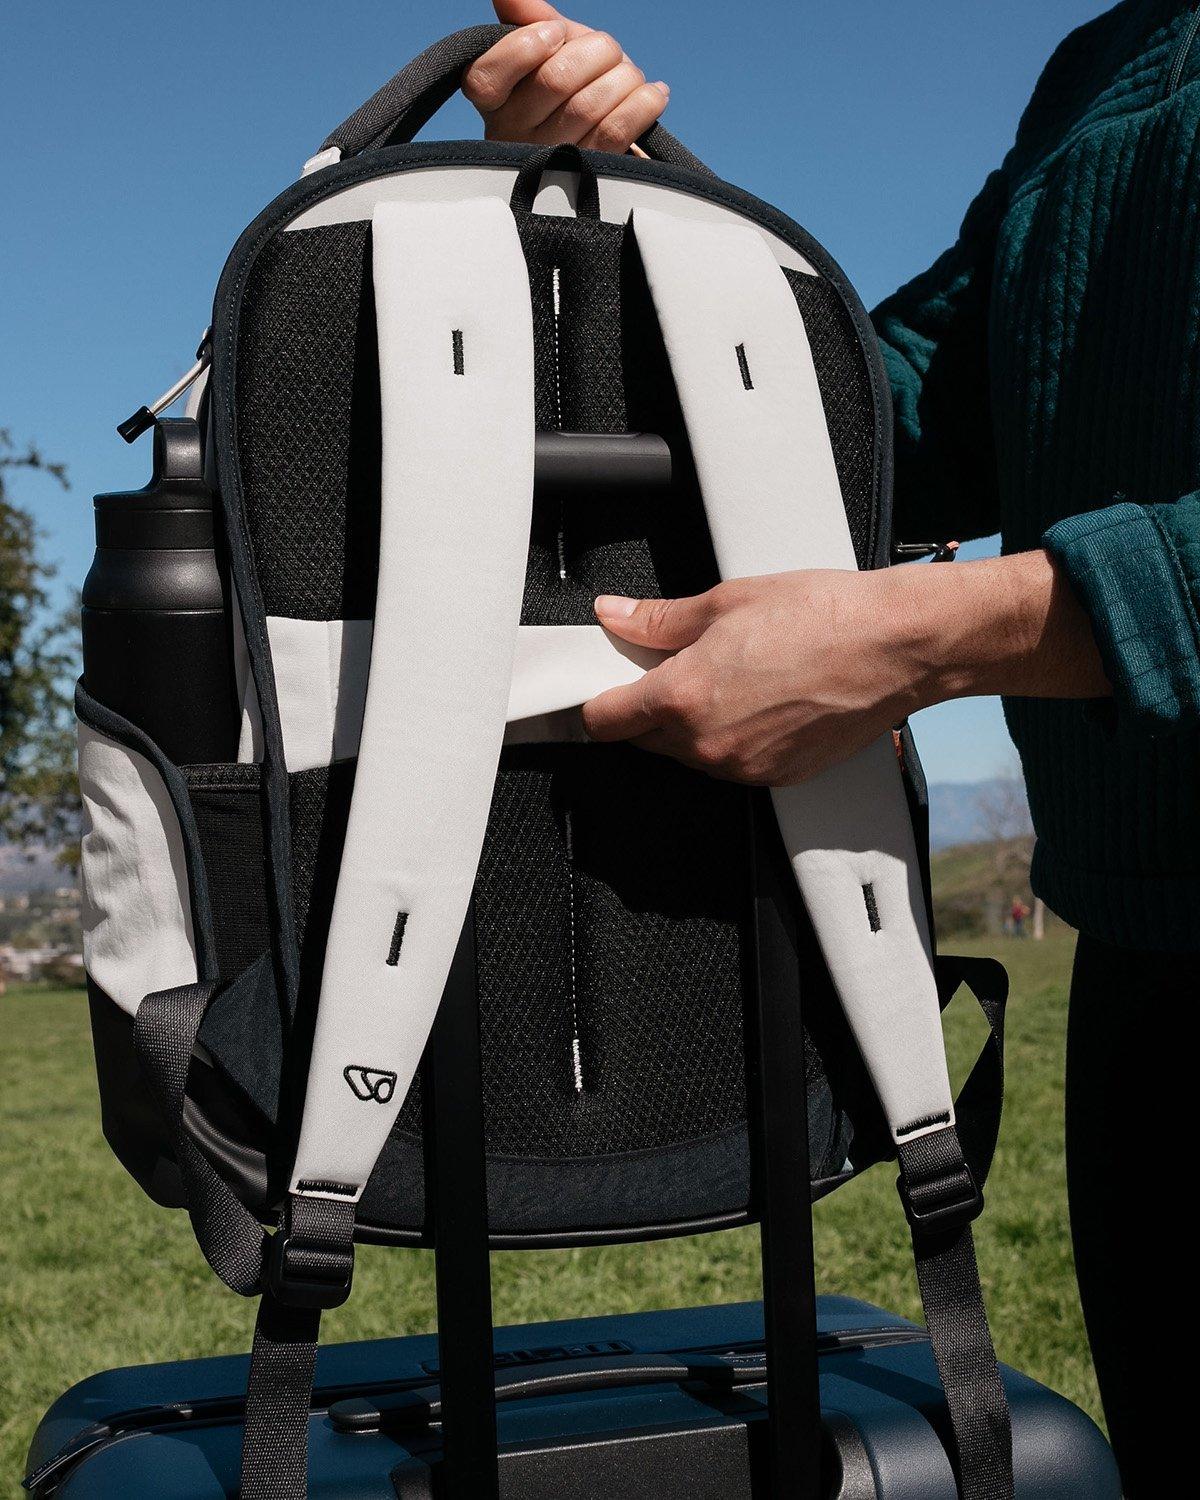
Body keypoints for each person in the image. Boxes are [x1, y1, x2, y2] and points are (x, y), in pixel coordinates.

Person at [466, 2, 1199, 1488]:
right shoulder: (1105, 65)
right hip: (1148, 957)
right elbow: (881, 416)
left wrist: (924, 639)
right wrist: (629, 217)